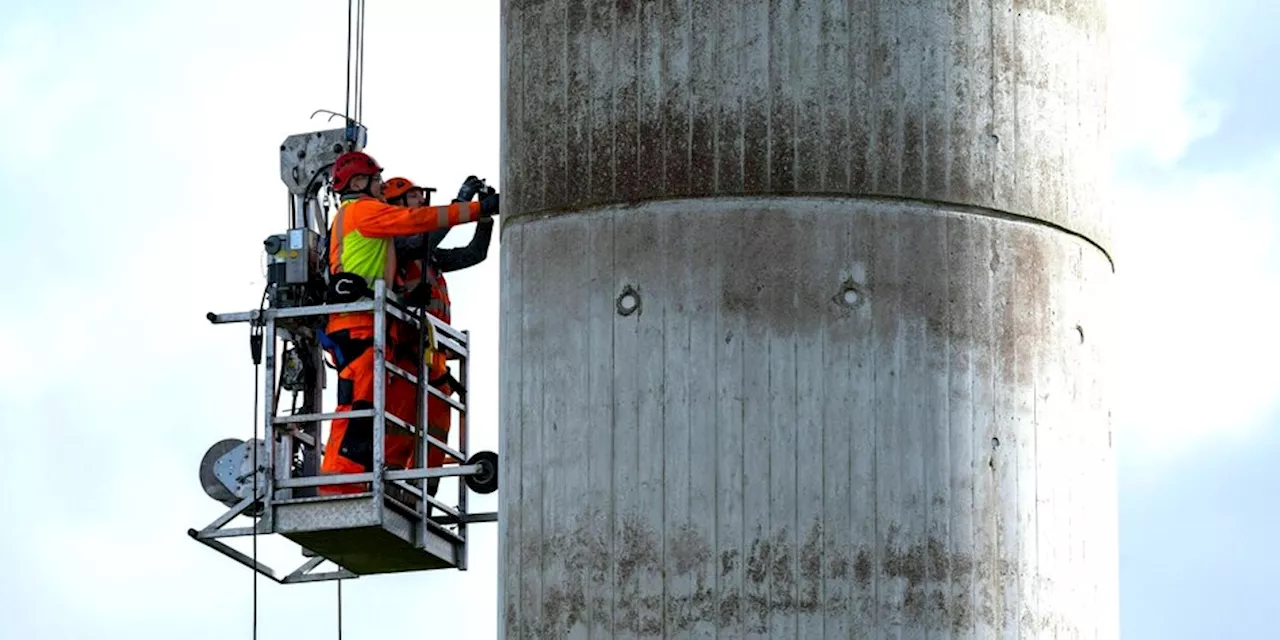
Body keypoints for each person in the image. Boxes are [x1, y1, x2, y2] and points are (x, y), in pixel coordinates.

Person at [318, 152, 499, 496]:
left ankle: (399, 488)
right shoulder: (365, 212)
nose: (381, 188)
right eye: (377, 182)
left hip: (380, 328)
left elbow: (464, 251)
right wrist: (474, 207)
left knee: (382, 412)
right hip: (364, 324)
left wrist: (484, 218)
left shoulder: (376, 228)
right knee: (361, 406)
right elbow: (421, 227)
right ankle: (341, 483)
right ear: (358, 183)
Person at [382, 176, 495, 499]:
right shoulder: (398, 243)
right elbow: (428, 237)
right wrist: (465, 204)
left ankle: (423, 500)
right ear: (397, 204)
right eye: (414, 196)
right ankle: (388, 490)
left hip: (434, 358)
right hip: (405, 353)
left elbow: (474, 254)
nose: (421, 201)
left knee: (436, 433)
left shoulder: (428, 254)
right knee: (398, 427)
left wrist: (483, 218)